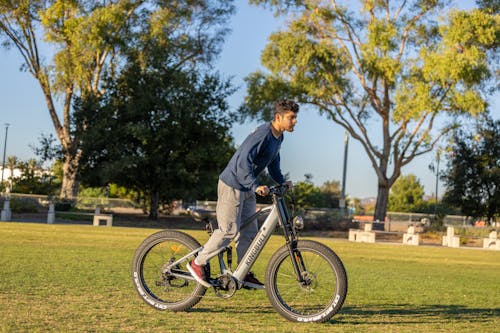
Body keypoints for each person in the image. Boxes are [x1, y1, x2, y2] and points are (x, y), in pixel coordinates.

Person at [187, 98, 299, 288]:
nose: (295, 121)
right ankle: (197, 263)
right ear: (278, 117)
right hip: (232, 185)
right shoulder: (263, 133)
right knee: (228, 231)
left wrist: (281, 182)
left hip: (246, 187)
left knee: (249, 232)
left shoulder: (278, 136)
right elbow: (242, 163)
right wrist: (255, 185)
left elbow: (272, 164)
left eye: (295, 117)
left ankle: (242, 273)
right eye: (291, 117)